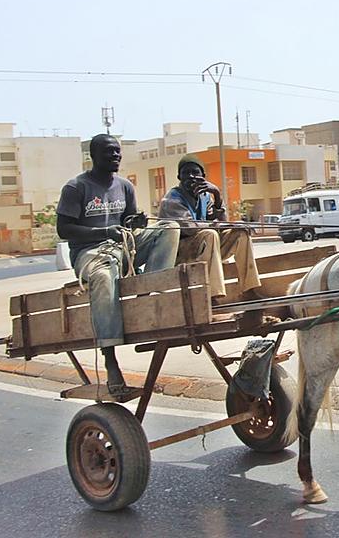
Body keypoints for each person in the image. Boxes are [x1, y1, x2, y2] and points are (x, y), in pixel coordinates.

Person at [56, 134, 180, 394]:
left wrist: (136, 223)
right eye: (109, 152)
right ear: (93, 156)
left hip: (123, 246)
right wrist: (103, 233)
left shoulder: (125, 186)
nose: (116, 156)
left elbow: (128, 223)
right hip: (90, 252)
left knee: (169, 228)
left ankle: (147, 290)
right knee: (103, 277)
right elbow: (64, 230)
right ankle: (110, 359)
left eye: (118, 152)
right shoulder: (76, 187)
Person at [158, 154, 262, 307]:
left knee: (241, 233)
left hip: (205, 249)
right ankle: (213, 296)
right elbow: (190, 229)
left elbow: (221, 220)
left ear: (203, 176)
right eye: (186, 173)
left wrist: (217, 195)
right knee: (209, 234)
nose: (191, 177)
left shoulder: (205, 196)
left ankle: (249, 289)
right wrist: (218, 226)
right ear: (179, 176)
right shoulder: (172, 198)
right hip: (180, 253)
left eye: (195, 172)